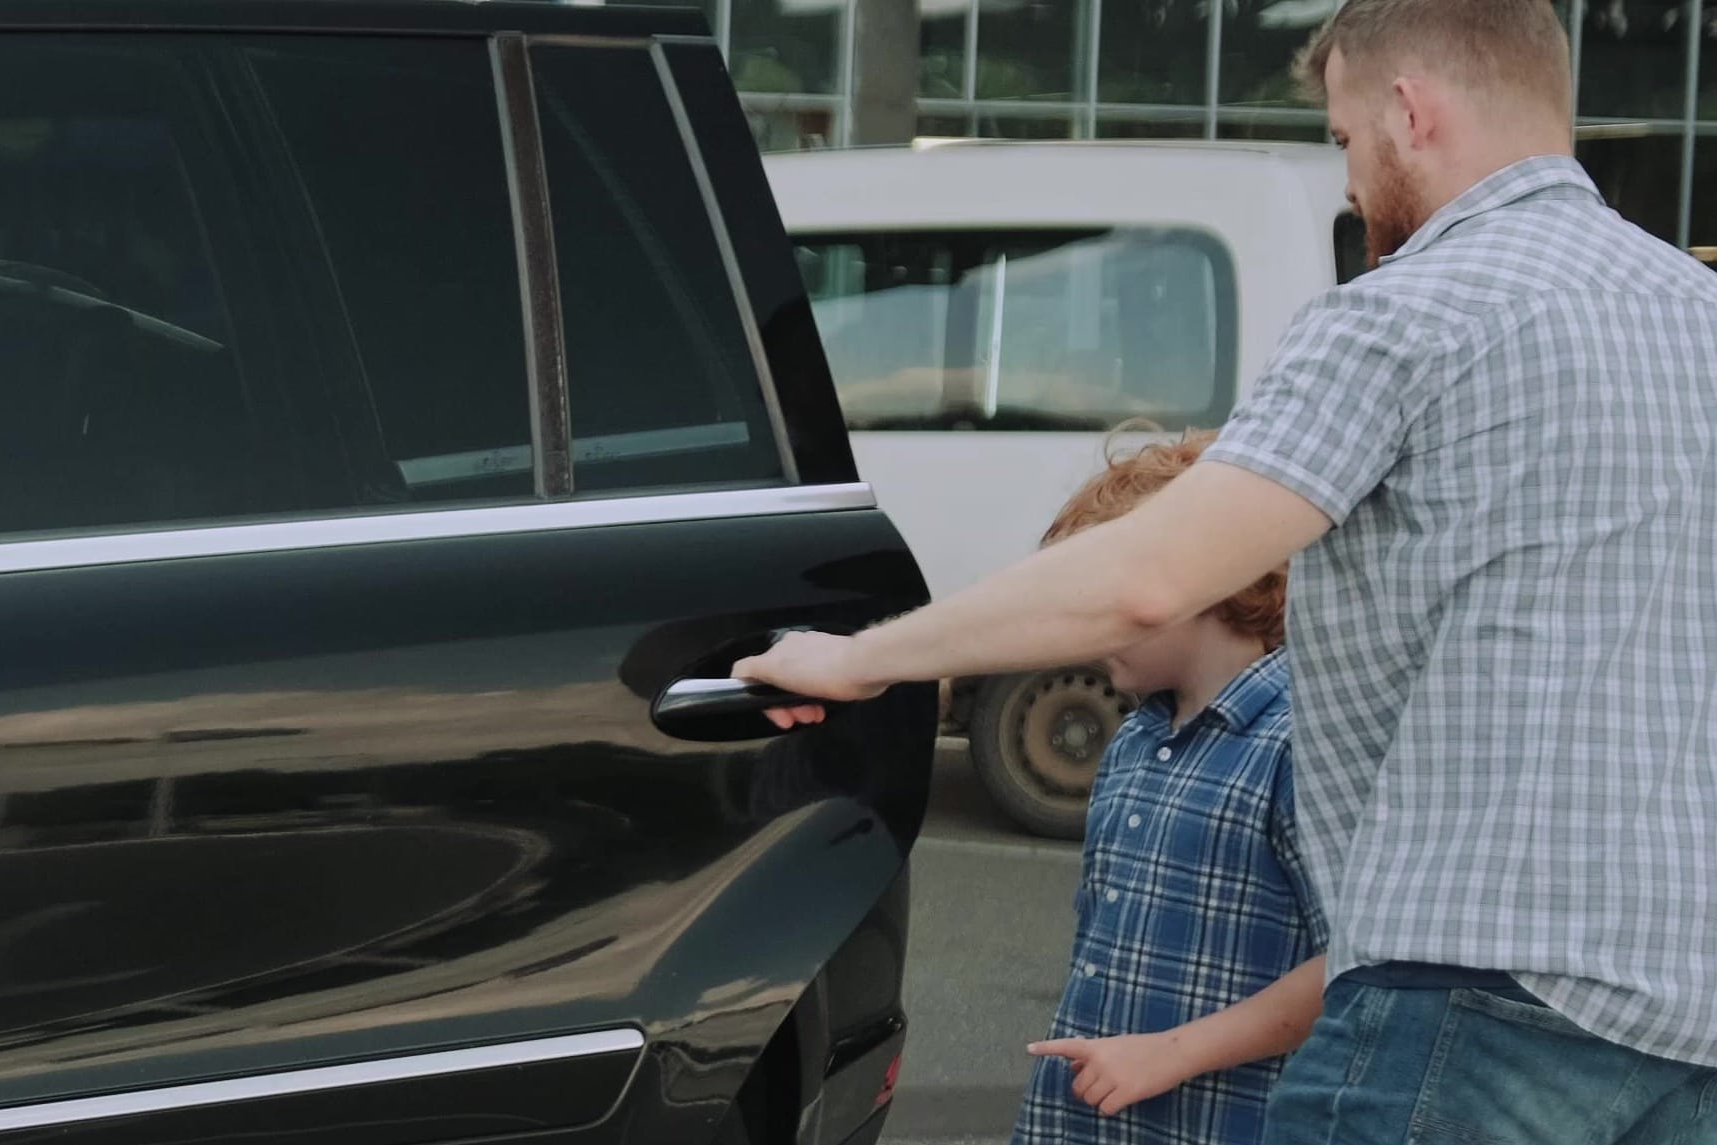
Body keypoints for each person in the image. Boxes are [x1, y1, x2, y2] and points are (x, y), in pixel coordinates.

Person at [735, 0, 1717, 1139]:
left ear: (1408, 107)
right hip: (1685, 1007)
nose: (1350, 183)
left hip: (1476, 992)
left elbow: (1147, 575)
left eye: (1344, 136)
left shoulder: (1406, 312)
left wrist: (860, 656)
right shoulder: (1697, 313)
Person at [1009, 430, 1327, 1145]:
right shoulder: (1134, 739)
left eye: (1105, 601)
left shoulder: (1293, 743)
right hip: (1088, 1120)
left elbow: (1356, 961)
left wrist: (1168, 1054)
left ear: (1199, 581)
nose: (1088, 630)